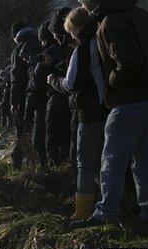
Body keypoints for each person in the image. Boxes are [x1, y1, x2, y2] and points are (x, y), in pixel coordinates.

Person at [71, 0, 148, 228]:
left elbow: (129, 61)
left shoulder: (110, 22)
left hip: (131, 98)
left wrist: (112, 85)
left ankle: (106, 212)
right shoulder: (141, 14)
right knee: (144, 156)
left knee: (112, 158)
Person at [47, 7, 109, 220]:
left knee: (86, 162)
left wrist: (54, 81)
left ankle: (82, 211)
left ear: (76, 28)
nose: (70, 35)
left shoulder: (82, 50)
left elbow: (71, 84)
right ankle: (112, 206)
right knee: (108, 162)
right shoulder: (104, 38)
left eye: (71, 31)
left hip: (90, 114)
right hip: (111, 109)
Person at [25, 20, 56, 169]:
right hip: (63, 103)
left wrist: (28, 111)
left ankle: (46, 168)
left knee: (41, 138)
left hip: (44, 103)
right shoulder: (70, 50)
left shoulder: (45, 56)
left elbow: (35, 85)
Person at [45, 7, 74, 166]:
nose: (55, 39)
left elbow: (71, 83)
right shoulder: (70, 48)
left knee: (81, 157)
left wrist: (53, 79)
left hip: (75, 103)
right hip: (75, 104)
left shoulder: (74, 49)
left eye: (56, 35)